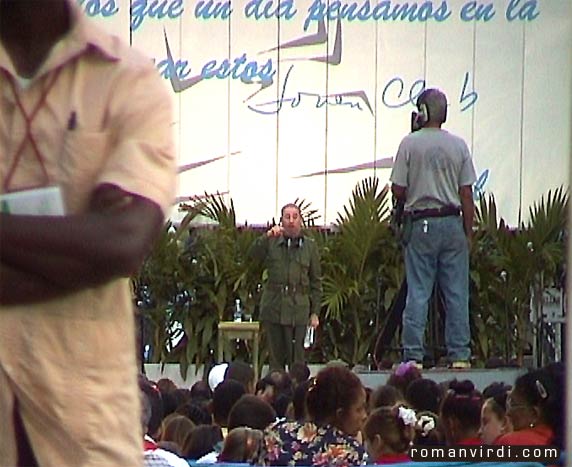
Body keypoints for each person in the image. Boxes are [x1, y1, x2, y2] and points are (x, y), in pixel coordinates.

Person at [0, 0, 176, 465]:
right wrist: (82, 247)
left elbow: (123, 243)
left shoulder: (126, 80)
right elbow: (104, 247)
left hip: (84, 429)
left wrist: (106, 246)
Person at [390, 88, 477, 368]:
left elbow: (398, 188)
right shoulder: (459, 145)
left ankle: (413, 355)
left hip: (422, 223)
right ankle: (460, 354)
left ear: (422, 112)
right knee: (456, 292)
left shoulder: (409, 144)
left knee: (419, 291)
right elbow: (466, 193)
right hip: (452, 223)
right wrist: (468, 231)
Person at [249, 203, 322, 370]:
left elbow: (316, 282)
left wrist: (315, 312)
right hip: (274, 307)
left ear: (301, 220)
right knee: (276, 361)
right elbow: (252, 256)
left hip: (299, 309)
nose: (291, 221)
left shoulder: (309, 247)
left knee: (298, 362)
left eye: (295, 217)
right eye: (287, 217)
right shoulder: (271, 242)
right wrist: (266, 236)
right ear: (281, 220)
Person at [263, 365, 368, 466]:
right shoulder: (351, 455)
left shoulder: (274, 435)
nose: (364, 416)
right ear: (340, 414)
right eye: (359, 409)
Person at [495, 363, 564, 449]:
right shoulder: (562, 442)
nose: (508, 412)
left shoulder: (511, 443)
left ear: (534, 414)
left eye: (513, 404)